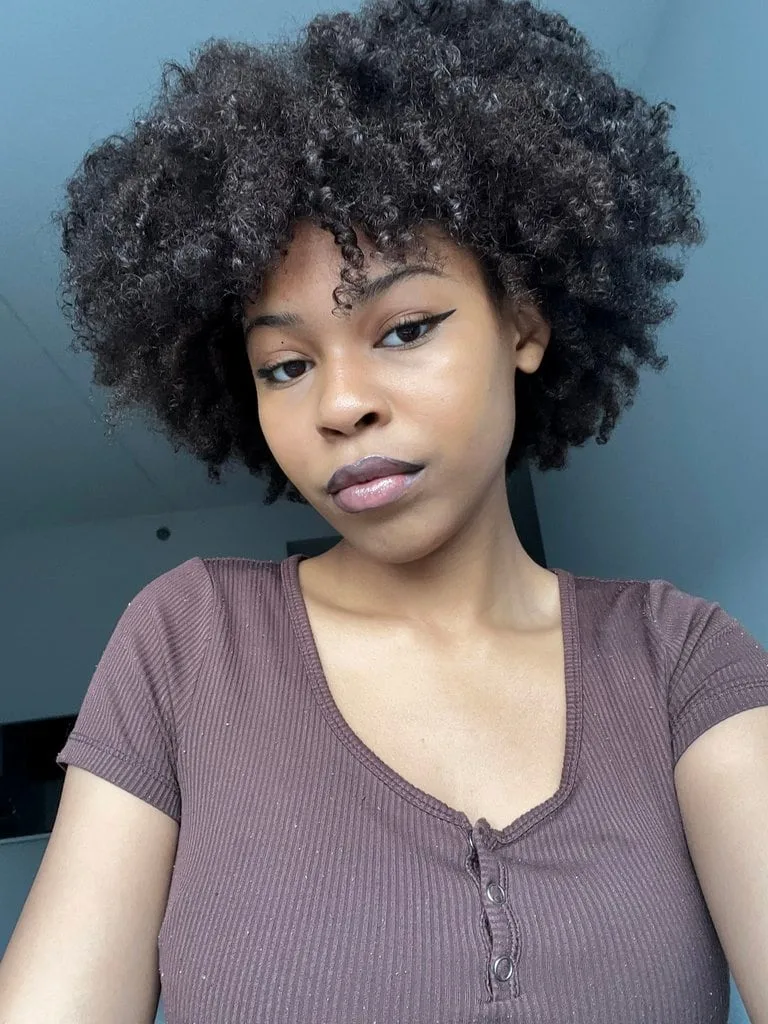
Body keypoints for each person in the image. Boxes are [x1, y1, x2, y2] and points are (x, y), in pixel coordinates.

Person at [1, 0, 766, 1021]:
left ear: (524, 321)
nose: (339, 403)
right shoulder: (187, 646)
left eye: (404, 328)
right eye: (285, 363)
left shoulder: (680, 663)